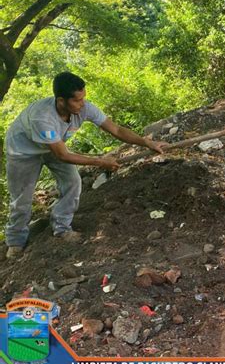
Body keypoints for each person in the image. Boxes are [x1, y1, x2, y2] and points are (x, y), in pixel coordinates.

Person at [4, 72, 168, 259]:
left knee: (73, 182)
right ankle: (16, 241)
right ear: (61, 101)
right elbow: (63, 155)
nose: (82, 104)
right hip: (23, 152)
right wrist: (100, 162)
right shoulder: (42, 118)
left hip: (54, 146)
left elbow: (116, 129)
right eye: (77, 101)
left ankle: (62, 228)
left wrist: (147, 143)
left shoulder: (84, 108)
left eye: (83, 98)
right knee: (22, 198)